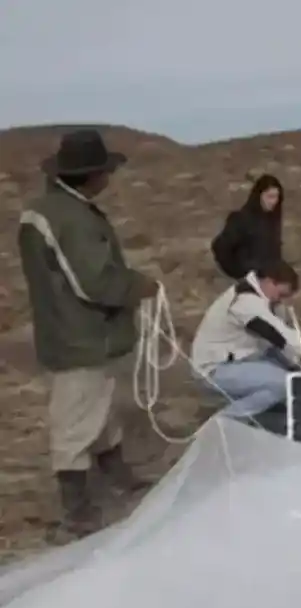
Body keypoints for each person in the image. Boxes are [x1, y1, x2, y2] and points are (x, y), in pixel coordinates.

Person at [16, 129, 160, 536]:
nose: (108, 180)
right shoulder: (70, 219)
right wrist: (137, 287)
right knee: (75, 421)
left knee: (101, 409)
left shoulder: (55, 210)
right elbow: (94, 281)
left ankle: (117, 476)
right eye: (105, 172)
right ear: (90, 175)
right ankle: (77, 511)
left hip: (81, 333)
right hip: (80, 338)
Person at [191, 260, 301, 420]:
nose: (281, 301)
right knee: (287, 384)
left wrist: (298, 365)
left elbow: (273, 344)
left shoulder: (261, 298)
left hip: (242, 360)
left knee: (294, 382)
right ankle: (223, 423)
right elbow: (278, 333)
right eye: (281, 295)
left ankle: (257, 425)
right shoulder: (245, 301)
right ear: (269, 282)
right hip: (215, 368)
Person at [211, 174, 285, 280]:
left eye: (276, 197)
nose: (273, 202)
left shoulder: (272, 221)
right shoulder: (242, 218)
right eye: (269, 197)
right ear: (259, 195)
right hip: (248, 281)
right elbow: (221, 247)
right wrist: (240, 272)